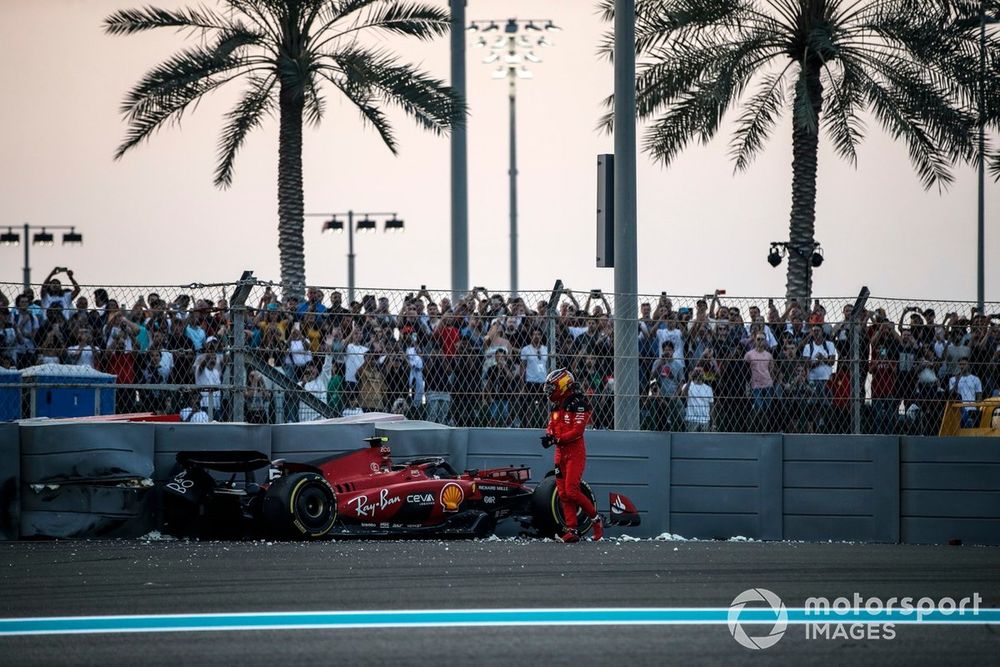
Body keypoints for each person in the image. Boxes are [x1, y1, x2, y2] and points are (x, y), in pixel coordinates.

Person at [539, 368, 603, 543]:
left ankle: (596, 520)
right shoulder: (556, 405)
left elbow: (577, 431)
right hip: (560, 452)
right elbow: (551, 425)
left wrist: (556, 438)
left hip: (575, 452)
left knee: (572, 491)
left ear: (562, 385)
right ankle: (572, 530)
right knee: (563, 493)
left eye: (552, 387)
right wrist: (549, 436)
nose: (549, 392)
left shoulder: (579, 403)